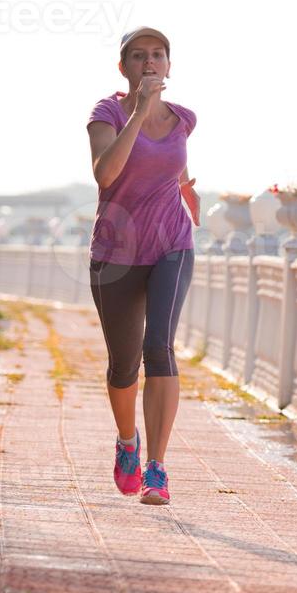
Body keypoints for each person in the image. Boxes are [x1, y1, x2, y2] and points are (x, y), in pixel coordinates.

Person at [86, 26, 201, 505]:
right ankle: (127, 442)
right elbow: (106, 173)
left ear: (169, 66)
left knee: (161, 348)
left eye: (158, 55)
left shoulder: (183, 119)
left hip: (172, 245)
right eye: (139, 56)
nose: (149, 63)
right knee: (123, 366)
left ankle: (157, 468)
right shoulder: (106, 114)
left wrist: (192, 197)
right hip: (115, 256)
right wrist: (137, 113)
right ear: (124, 67)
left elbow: (175, 172)